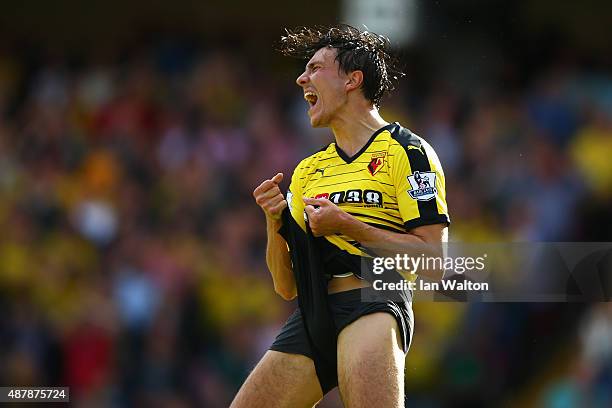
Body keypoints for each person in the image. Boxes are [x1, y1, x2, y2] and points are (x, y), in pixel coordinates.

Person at [232, 24, 450, 408]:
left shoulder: (408, 152)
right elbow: (286, 287)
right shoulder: (307, 170)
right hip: (314, 310)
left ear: (353, 79)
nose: (302, 78)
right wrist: (274, 221)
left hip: (374, 299)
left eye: (315, 68)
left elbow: (433, 261)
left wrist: (347, 226)